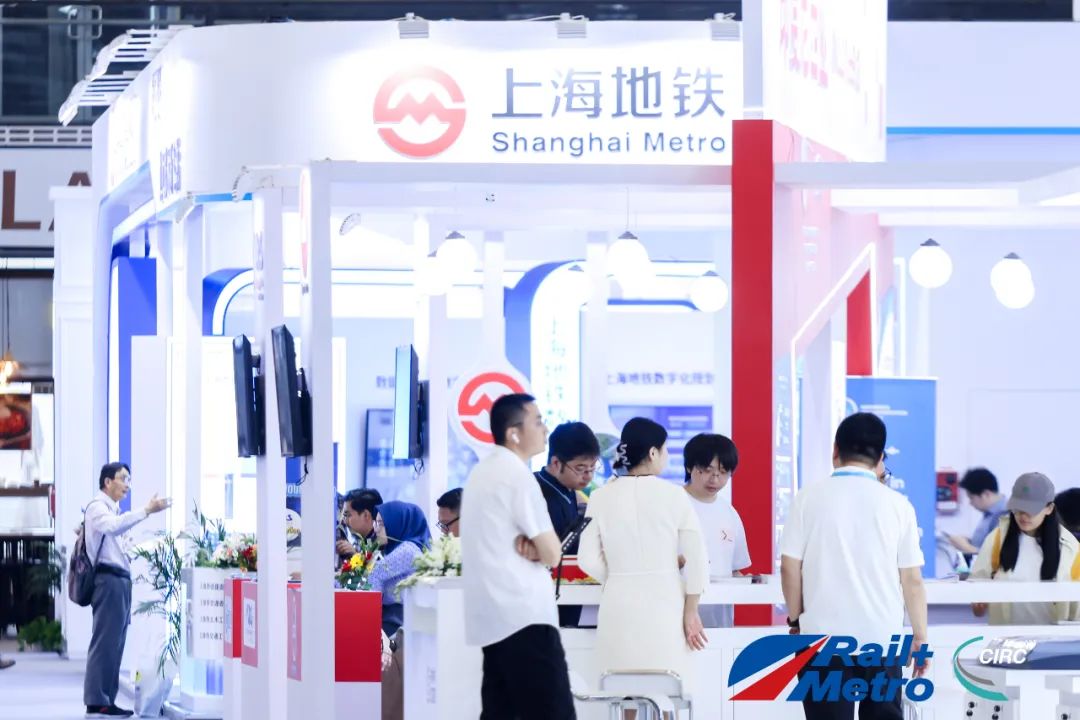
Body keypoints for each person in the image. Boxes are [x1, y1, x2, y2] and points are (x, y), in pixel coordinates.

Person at [780, 413, 929, 720]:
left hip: (822, 639)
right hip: (882, 640)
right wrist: (920, 636)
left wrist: (796, 619)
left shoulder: (807, 499)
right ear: (881, 457)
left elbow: (789, 568)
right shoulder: (898, 505)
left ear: (836, 449)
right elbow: (912, 580)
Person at [460, 393, 574, 720]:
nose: (545, 429)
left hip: (493, 619)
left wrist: (537, 546)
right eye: (537, 422)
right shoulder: (517, 475)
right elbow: (553, 553)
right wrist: (540, 548)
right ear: (514, 433)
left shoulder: (482, 472)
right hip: (526, 618)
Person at [577, 417, 709, 697]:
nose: (667, 455)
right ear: (652, 452)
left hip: (618, 604)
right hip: (666, 605)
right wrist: (691, 610)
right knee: (669, 690)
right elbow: (697, 558)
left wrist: (617, 575)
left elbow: (586, 558)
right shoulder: (674, 496)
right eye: (665, 449)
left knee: (622, 692)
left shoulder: (600, 497)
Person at [84, 462, 170, 719]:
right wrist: (146, 510)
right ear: (107, 482)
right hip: (108, 581)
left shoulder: (113, 510)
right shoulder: (98, 508)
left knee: (115, 643)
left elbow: (122, 547)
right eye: (123, 479)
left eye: (129, 480)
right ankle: (96, 702)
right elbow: (113, 527)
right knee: (105, 642)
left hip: (119, 580)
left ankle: (106, 700)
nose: (127, 485)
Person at [969, 473, 1080, 625]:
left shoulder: (1069, 547)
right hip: (1005, 635)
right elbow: (978, 581)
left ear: (1049, 508)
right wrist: (978, 601)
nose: (1023, 516)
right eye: (1018, 509)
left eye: (1031, 509)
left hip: (1052, 635)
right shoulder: (998, 538)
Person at [682, 432, 750, 628]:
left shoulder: (729, 512)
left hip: (720, 621)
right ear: (689, 466)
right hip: (677, 616)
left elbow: (735, 569)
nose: (715, 479)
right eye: (707, 470)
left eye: (723, 472)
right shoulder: (674, 504)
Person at [367, 500, 431, 637]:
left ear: (397, 523)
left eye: (381, 524)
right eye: (375, 523)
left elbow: (375, 574)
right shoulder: (406, 548)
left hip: (396, 619)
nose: (376, 529)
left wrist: (368, 618)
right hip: (397, 616)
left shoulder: (408, 550)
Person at [947, 468, 1007, 556]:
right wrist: (969, 541)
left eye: (971, 498)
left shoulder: (1006, 515)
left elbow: (999, 558)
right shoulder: (989, 515)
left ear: (986, 494)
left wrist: (965, 547)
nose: (970, 503)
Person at [336, 488, 383, 561]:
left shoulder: (383, 542)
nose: (345, 522)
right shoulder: (367, 540)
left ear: (366, 515)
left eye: (348, 515)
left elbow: (380, 567)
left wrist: (355, 556)